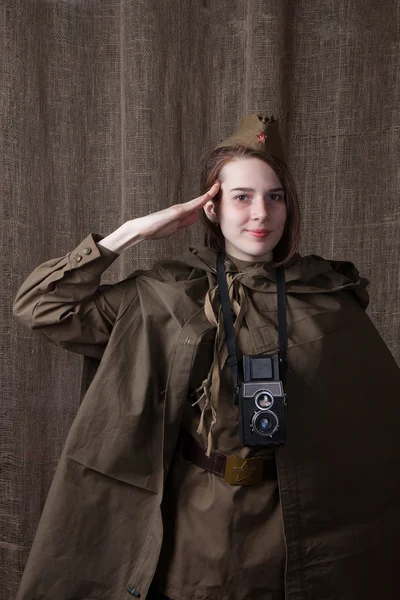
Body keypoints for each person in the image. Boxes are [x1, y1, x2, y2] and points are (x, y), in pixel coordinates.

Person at [13, 114, 400, 600]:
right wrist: (129, 234)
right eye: (242, 197)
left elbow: (377, 421)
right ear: (211, 208)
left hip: (300, 526)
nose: (261, 213)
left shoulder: (327, 296)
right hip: (197, 521)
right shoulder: (167, 292)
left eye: (274, 196)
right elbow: (43, 307)